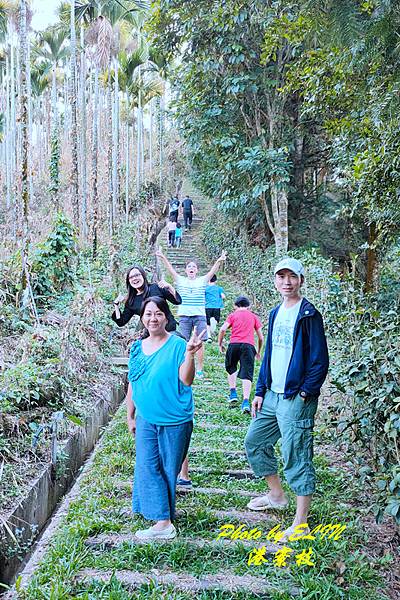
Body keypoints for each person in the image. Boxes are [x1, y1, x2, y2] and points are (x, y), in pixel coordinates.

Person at [244, 257, 329, 542]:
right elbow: (268, 354)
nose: (287, 282)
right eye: (281, 277)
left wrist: (307, 392)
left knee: (297, 455)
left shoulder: (309, 314)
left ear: (301, 280)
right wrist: (259, 390)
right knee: (255, 442)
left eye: (291, 277)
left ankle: (301, 523)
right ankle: (277, 495)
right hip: (271, 395)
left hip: (296, 397)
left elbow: (319, 360)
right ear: (275, 281)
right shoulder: (274, 312)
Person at [126, 297, 205, 540]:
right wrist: (130, 415)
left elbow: (186, 380)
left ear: (166, 317)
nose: (153, 319)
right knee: (147, 465)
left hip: (175, 418)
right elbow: (133, 381)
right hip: (147, 417)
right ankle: (160, 517)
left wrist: (191, 355)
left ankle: (163, 519)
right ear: (142, 318)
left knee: (168, 468)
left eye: (158, 313)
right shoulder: (136, 348)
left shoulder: (178, 345)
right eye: (148, 314)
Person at [155, 248, 227, 378]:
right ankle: (184, 366)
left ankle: (199, 369)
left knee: (200, 343)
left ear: (197, 270)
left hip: (199, 316)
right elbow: (170, 269)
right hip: (184, 316)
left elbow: (212, 272)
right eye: (189, 267)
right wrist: (162, 257)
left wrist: (219, 261)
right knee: (183, 342)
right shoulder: (180, 280)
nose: (191, 268)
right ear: (186, 270)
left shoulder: (202, 281)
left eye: (194, 266)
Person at [218, 296, 263, 414]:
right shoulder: (253, 316)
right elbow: (261, 337)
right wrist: (258, 351)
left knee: (231, 367)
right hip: (248, 346)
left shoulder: (233, 315)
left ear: (235, 305)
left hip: (234, 345)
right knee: (247, 373)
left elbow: (222, 329)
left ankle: (233, 393)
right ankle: (246, 402)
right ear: (248, 306)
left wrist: (220, 344)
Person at [112, 265, 181, 332]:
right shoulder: (131, 301)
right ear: (129, 282)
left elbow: (177, 301)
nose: (134, 278)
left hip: (170, 331)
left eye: (137, 275)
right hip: (153, 335)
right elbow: (121, 322)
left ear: (143, 276)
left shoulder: (156, 288)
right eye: (131, 277)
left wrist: (169, 287)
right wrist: (116, 305)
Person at [205, 274, 226, 339]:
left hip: (208, 307)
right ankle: (213, 323)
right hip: (217, 307)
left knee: (207, 322)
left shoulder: (206, 288)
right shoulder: (219, 288)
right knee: (216, 319)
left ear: (208, 280)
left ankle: (208, 335)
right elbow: (223, 296)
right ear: (215, 280)